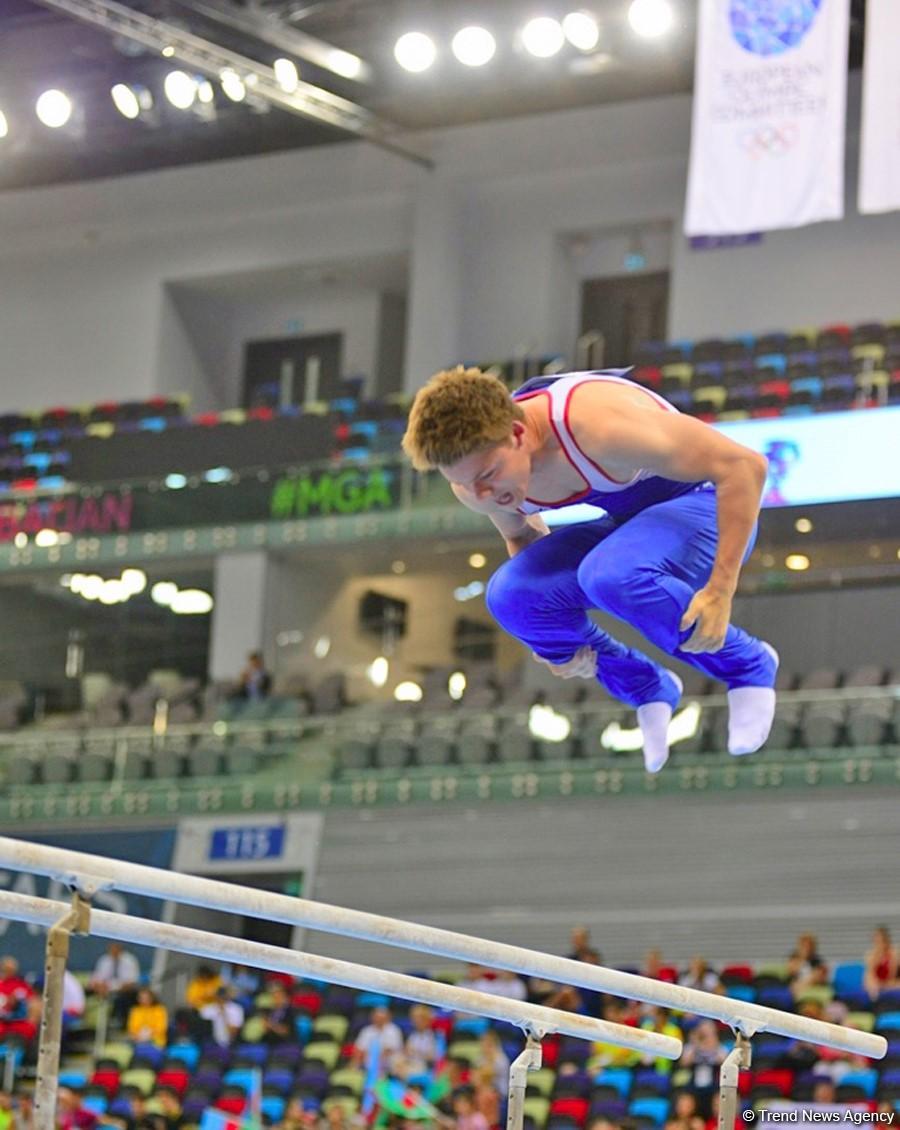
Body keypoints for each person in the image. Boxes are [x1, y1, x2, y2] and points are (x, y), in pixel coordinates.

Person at [402, 367, 778, 773]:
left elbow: (745, 467)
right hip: (631, 529)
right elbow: (526, 545)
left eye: (488, 476)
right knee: (509, 596)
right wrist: (550, 637)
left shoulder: (596, 424)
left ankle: (748, 665)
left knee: (608, 573)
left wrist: (720, 590)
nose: (482, 495)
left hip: (708, 511)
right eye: (463, 484)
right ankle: (646, 687)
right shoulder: (476, 484)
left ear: (517, 433)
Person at [89, 942, 141, 1024]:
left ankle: (118, 1020)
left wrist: (114, 988)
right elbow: (97, 978)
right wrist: (99, 986)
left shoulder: (130, 960)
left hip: (123, 990)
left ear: (120, 950)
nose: (113, 952)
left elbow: (132, 982)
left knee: (125, 996)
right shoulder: (104, 960)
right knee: (88, 991)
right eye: (111, 950)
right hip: (107, 988)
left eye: (116, 950)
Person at [863, 925, 899, 999]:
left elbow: (893, 973)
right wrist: (877, 956)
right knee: (869, 981)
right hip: (877, 983)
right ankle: (875, 1001)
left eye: (881, 940)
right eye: (876, 940)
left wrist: (888, 984)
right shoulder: (871, 955)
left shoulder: (894, 953)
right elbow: (870, 973)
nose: (878, 942)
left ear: (886, 940)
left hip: (891, 981)